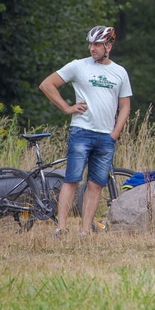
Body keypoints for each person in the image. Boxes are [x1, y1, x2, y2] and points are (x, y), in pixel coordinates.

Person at [40, 25, 132, 237]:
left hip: (106, 136)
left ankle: (84, 231)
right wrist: (66, 107)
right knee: (72, 179)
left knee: (96, 184)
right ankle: (61, 228)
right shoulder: (78, 66)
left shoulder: (119, 72)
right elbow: (47, 84)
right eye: (91, 44)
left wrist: (115, 134)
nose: (92, 48)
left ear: (109, 46)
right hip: (81, 131)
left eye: (97, 44)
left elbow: (125, 106)